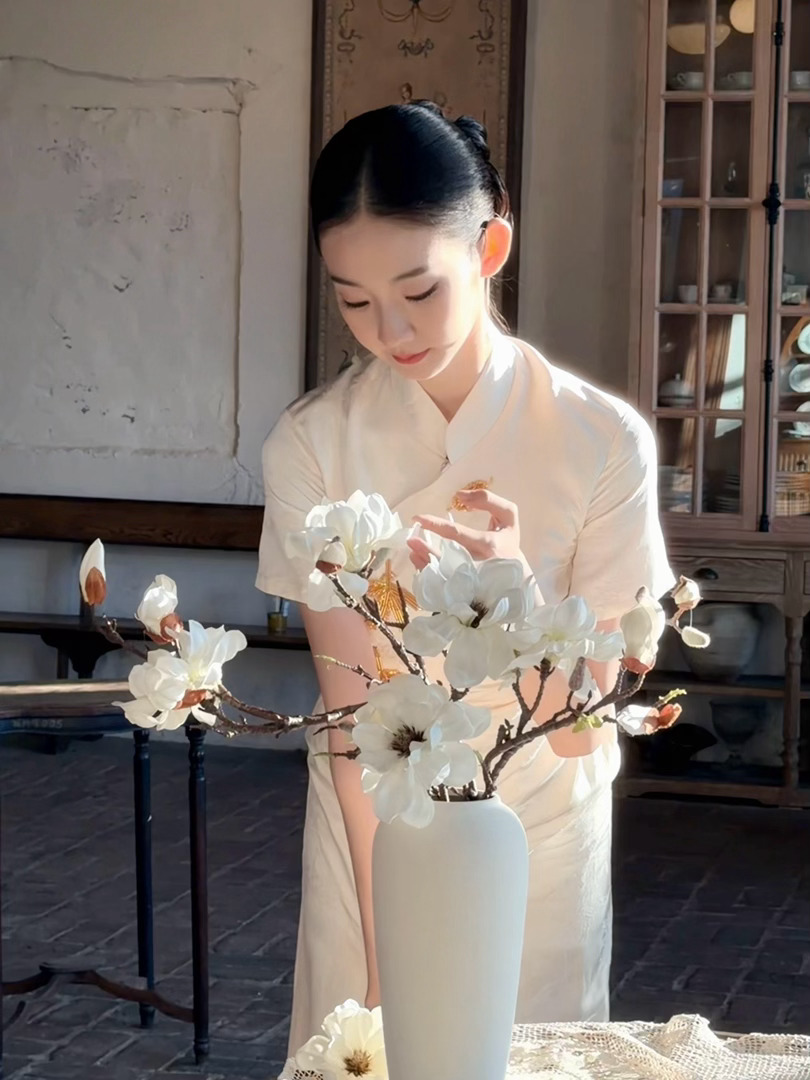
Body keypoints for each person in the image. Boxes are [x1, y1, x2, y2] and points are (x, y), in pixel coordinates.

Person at [255, 101, 674, 1056]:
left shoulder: (601, 440)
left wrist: (515, 594)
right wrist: (384, 956)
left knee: (534, 1055)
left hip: (539, 826)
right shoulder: (314, 445)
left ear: (490, 248)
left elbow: (584, 728)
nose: (391, 330)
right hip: (375, 827)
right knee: (369, 1049)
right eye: (354, 301)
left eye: (418, 290)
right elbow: (354, 717)